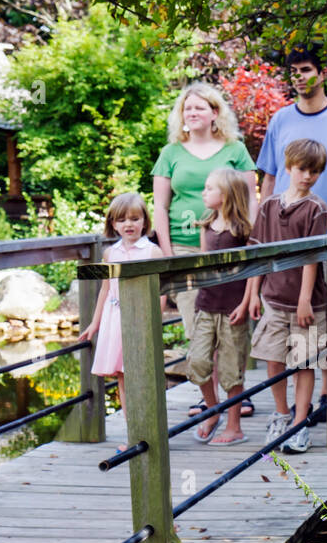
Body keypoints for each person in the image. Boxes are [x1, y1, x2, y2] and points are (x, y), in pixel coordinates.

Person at [256, 45, 327, 418]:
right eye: (294, 72)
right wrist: (263, 231)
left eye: (306, 70)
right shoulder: (280, 121)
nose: (300, 77)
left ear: (322, 74)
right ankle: (290, 408)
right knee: (283, 321)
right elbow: (269, 177)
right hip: (283, 241)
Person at [151, 83, 259, 418]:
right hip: (184, 249)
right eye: (187, 108)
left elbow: (252, 199)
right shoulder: (171, 153)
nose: (192, 113)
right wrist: (168, 254)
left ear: (215, 112)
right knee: (196, 328)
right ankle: (209, 400)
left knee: (231, 326)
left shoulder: (234, 149)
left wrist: (251, 244)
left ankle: (235, 396)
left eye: (199, 107)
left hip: (229, 251)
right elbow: (159, 206)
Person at [246, 138, 327, 454]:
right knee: (273, 359)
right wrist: (253, 293)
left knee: (304, 361)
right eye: (302, 169)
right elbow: (258, 253)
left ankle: (299, 423)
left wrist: (305, 299)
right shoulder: (268, 206)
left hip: (306, 303)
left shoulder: (317, 209)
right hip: (274, 298)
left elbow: (311, 256)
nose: (308, 176)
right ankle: (280, 413)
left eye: (315, 171)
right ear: (289, 167)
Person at [78, 193, 161, 444]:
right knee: (123, 377)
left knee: (142, 375)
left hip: (141, 320)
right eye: (122, 220)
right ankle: (133, 433)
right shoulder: (109, 254)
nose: (129, 224)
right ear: (113, 224)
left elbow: (160, 293)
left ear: (145, 221)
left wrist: (152, 320)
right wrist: (95, 323)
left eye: (135, 219)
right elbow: (105, 289)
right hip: (115, 319)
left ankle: (150, 429)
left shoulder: (152, 252)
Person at [186, 169, 256, 445]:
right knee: (198, 361)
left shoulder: (243, 229)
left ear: (225, 195)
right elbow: (204, 264)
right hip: (206, 305)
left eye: (208, 188)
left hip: (233, 308)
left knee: (231, 369)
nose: (204, 193)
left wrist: (249, 300)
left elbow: (253, 267)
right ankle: (213, 410)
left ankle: (234, 426)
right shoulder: (206, 226)